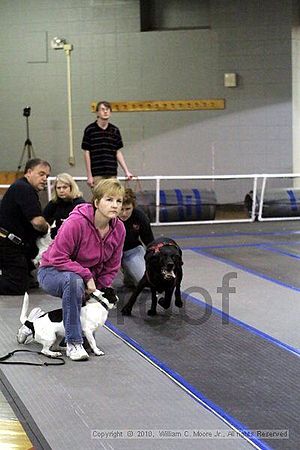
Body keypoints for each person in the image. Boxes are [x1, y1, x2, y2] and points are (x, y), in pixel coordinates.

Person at [37, 178, 125, 361]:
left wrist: (94, 290)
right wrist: (86, 276)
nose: (115, 205)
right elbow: (57, 257)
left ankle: (61, 331)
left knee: (79, 289)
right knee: (74, 281)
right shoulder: (75, 223)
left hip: (84, 281)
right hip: (52, 271)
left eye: (119, 201)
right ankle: (73, 343)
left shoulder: (119, 229)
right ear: (96, 202)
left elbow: (112, 267)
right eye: (109, 199)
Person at [0, 158, 51, 295]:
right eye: (41, 174)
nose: (45, 178)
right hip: (8, 244)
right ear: (29, 172)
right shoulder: (24, 189)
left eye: (47, 176)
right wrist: (47, 229)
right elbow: (37, 222)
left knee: (27, 279)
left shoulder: (23, 188)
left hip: (14, 243)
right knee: (16, 286)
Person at [81, 100, 133, 187]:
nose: (105, 111)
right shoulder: (90, 130)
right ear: (97, 112)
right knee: (100, 198)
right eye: (102, 109)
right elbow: (87, 152)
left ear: (110, 112)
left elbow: (117, 152)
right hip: (97, 173)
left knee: (112, 197)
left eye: (107, 109)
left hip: (111, 172)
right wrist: (89, 175)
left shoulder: (115, 130)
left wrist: (126, 171)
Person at [119, 188, 154, 287]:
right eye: (121, 209)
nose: (124, 213)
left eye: (128, 209)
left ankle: (129, 273)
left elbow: (149, 242)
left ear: (133, 207)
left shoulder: (140, 217)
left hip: (132, 250)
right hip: (110, 253)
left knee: (146, 282)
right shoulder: (108, 217)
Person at [43, 173, 86, 239]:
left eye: (64, 187)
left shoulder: (80, 204)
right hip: (58, 238)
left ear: (71, 188)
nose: (61, 190)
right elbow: (44, 218)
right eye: (58, 188)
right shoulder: (54, 202)